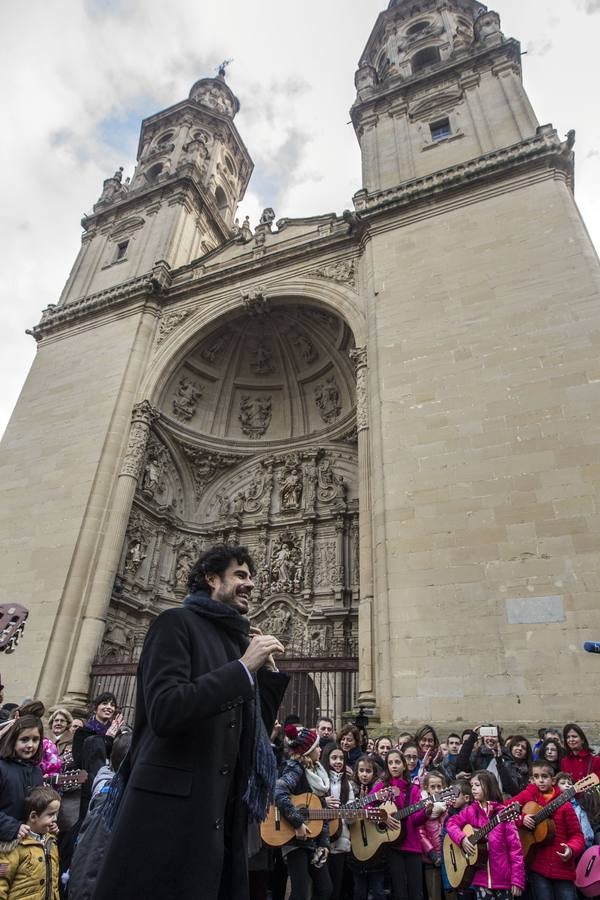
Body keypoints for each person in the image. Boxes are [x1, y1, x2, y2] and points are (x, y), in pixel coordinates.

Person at [93, 544, 288, 900]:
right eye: (240, 575)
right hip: (168, 817)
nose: (251, 584)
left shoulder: (235, 643)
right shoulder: (174, 624)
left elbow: (247, 734)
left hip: (218, 816)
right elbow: (165, 710)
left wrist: (267, 678)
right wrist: (243, 668)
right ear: (211, 578)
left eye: (251, 577)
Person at [273, 725, 332, 900]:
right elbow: (278, 792)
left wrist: (324, 843)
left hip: (313, 839)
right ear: (309, 751)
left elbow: (322, 810)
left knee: (325, 889)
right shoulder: (296, 768)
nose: (320, 749)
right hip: (293, 837)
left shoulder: (317, 772)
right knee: (300, 891)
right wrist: (298, 823)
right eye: (317, 746)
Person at [446, 770, 525, 899]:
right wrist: (462, 839)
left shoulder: (503, 813)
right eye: (472, 786)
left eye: (477, 785)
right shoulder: (470, 811)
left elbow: (516, 849)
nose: (473, 789)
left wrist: (517, 879)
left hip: (503, 881)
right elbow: (451, 823)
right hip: (480, 880)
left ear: (489, 786)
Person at [512, 760, 584, 899]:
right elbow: (504, 810)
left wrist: (571, 848)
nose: (540, 780)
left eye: (544, 776)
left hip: (562, 868)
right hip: (538, 866)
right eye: (536, 777)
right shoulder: (529, 799)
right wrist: (521, 819)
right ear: (532, 779)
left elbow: (577, 835)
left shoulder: (565, 806)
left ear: (553, 780)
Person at [371, 749, 430, 900]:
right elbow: (366, 808)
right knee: (399, 892)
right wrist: (382, 817)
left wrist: (426, 812)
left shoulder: (414, 790)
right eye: (390, 763)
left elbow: (416, 821)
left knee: (416, 892)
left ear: (404, 765)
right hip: (392, 846)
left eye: (397, 762)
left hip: (412, 846)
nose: (394, 766)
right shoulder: (381, 788)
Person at [0, 785, 61, 900]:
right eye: (50, 814)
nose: (55, 819)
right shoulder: (16, 846)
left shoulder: (51, 842)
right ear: (33, 816)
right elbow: (1, 883)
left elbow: (55, 884)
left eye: (56, 814)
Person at [0, 714, 44, 841]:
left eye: (35, 740)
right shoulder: (2, 768)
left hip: (24, 845)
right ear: (13, 740)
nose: (30, 745)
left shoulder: (37, 772)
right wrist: (13, 827)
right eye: (24, 739)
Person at [348, 755, 385, 900]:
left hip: (376, 846)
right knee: (359, 889)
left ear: (374, 773)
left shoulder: (379, 791)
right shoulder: (351, 788)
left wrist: (368, 802)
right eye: (361, 770)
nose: (364, 774)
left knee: (378, 890)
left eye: (368, 771)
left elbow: (382, 814)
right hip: (357, 844)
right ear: (356, 772)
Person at [322, 741, 354, 900]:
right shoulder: (320, 780)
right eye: (334, 757)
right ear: (327, 759)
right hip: (321, 840)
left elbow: (350, 817)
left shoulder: (347, 784)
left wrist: (350, 815)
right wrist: (324, 802)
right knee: (322, 888)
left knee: (336, 887)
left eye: (341, 758)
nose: (338, 761)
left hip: (340, 840)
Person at [418, 769, 448, 900]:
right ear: (427, 788)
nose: (436, 790)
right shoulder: (423, 807)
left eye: (439, 786)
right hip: (431, 859)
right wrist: (431, 853)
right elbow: (420, 832)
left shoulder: (449, 805)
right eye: (433, 787)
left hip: (449, 858)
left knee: (451, 894)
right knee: (434, 895)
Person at [440, 778, 473, 900]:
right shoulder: (450, 819)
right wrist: (448, 883)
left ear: (467, 798)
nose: (451, 798)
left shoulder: (476, 815)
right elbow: (446, 854)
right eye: (450, 795)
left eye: (455, 795)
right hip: (459, 873)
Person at [555, 770, 594, 850]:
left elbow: (588, 835)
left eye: (570, 784)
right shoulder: (550, 805)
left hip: (576, 848)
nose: (567, 786)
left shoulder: (579, 808)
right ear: (555, 786)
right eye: (563, 783)